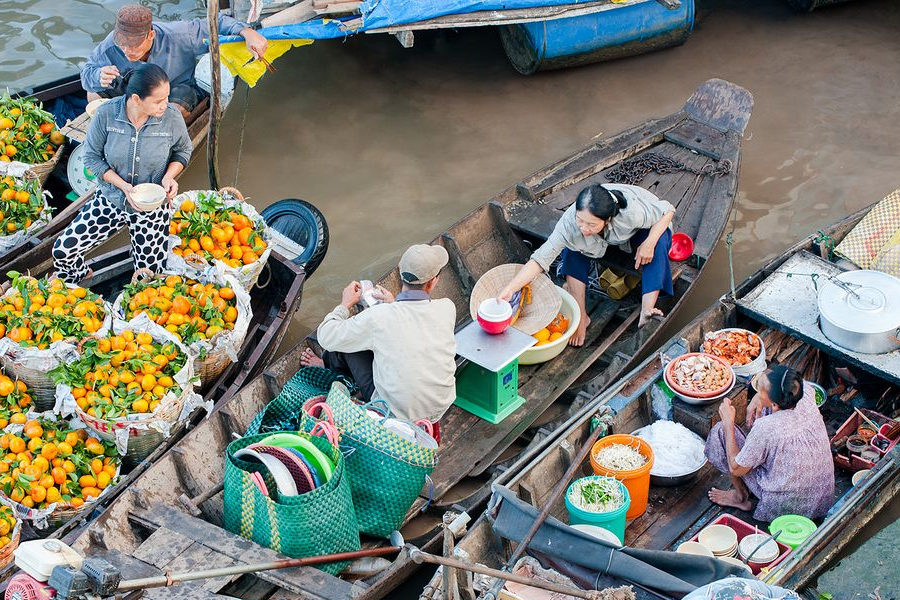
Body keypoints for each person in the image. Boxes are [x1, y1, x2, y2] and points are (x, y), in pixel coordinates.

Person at [53, 64, 191, 284]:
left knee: (149, 275)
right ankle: (80, 279)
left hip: (152, 206)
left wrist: (169, 176)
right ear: (136, 99)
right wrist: (124, 187)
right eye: (158, 101)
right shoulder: (107, 114)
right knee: (63, 251)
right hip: (111, 199)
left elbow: (183, 150)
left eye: (167, 98)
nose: (165, 105)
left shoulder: (172, 118)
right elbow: (91, 157)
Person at [300, 244, 457, 432]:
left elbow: (326, 336)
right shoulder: (447, 308)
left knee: (347, 344)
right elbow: (415, 319)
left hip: (394, 414)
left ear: (400, 271)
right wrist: (393, 303)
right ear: (432, 282)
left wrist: (345, 304)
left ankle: (326, 365)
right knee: (381, 340)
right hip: (438, 408)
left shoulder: (379, 317)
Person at [499, 183, 676, 343]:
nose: (583, 228)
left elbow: (668, 210)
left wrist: (650, 242)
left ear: (607, 220)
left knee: (659, 244)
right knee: (571, 250)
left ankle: (646, 309)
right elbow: (540, 259)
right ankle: (581, 316)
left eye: (591, 224)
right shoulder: (570, 224)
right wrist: (511, 288)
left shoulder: (631, 213)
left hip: (642, 230)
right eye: (580, 220)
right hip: (603, 242)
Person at [81, 4, 268, 118]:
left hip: (173, 89)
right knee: (93, 93)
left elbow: (218, 22)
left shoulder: (179, 35)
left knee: (175, 111)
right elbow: (87, 74)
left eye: (134, 44)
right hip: (134, 89)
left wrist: (248, 32)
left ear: (151, 35)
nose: (127, 50)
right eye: (122, 44)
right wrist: (98, 75)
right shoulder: (110, 43)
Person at [705, 366, 835, 522]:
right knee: (764, 413)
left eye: (760, 391)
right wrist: (756, 400)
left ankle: (740, 497)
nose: (757, 393)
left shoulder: (766, 428)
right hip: (819, 499)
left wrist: (728, 422)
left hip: (784, 507)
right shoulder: (805, 391)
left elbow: (736, 468)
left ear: (774, 404)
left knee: (720, 432)